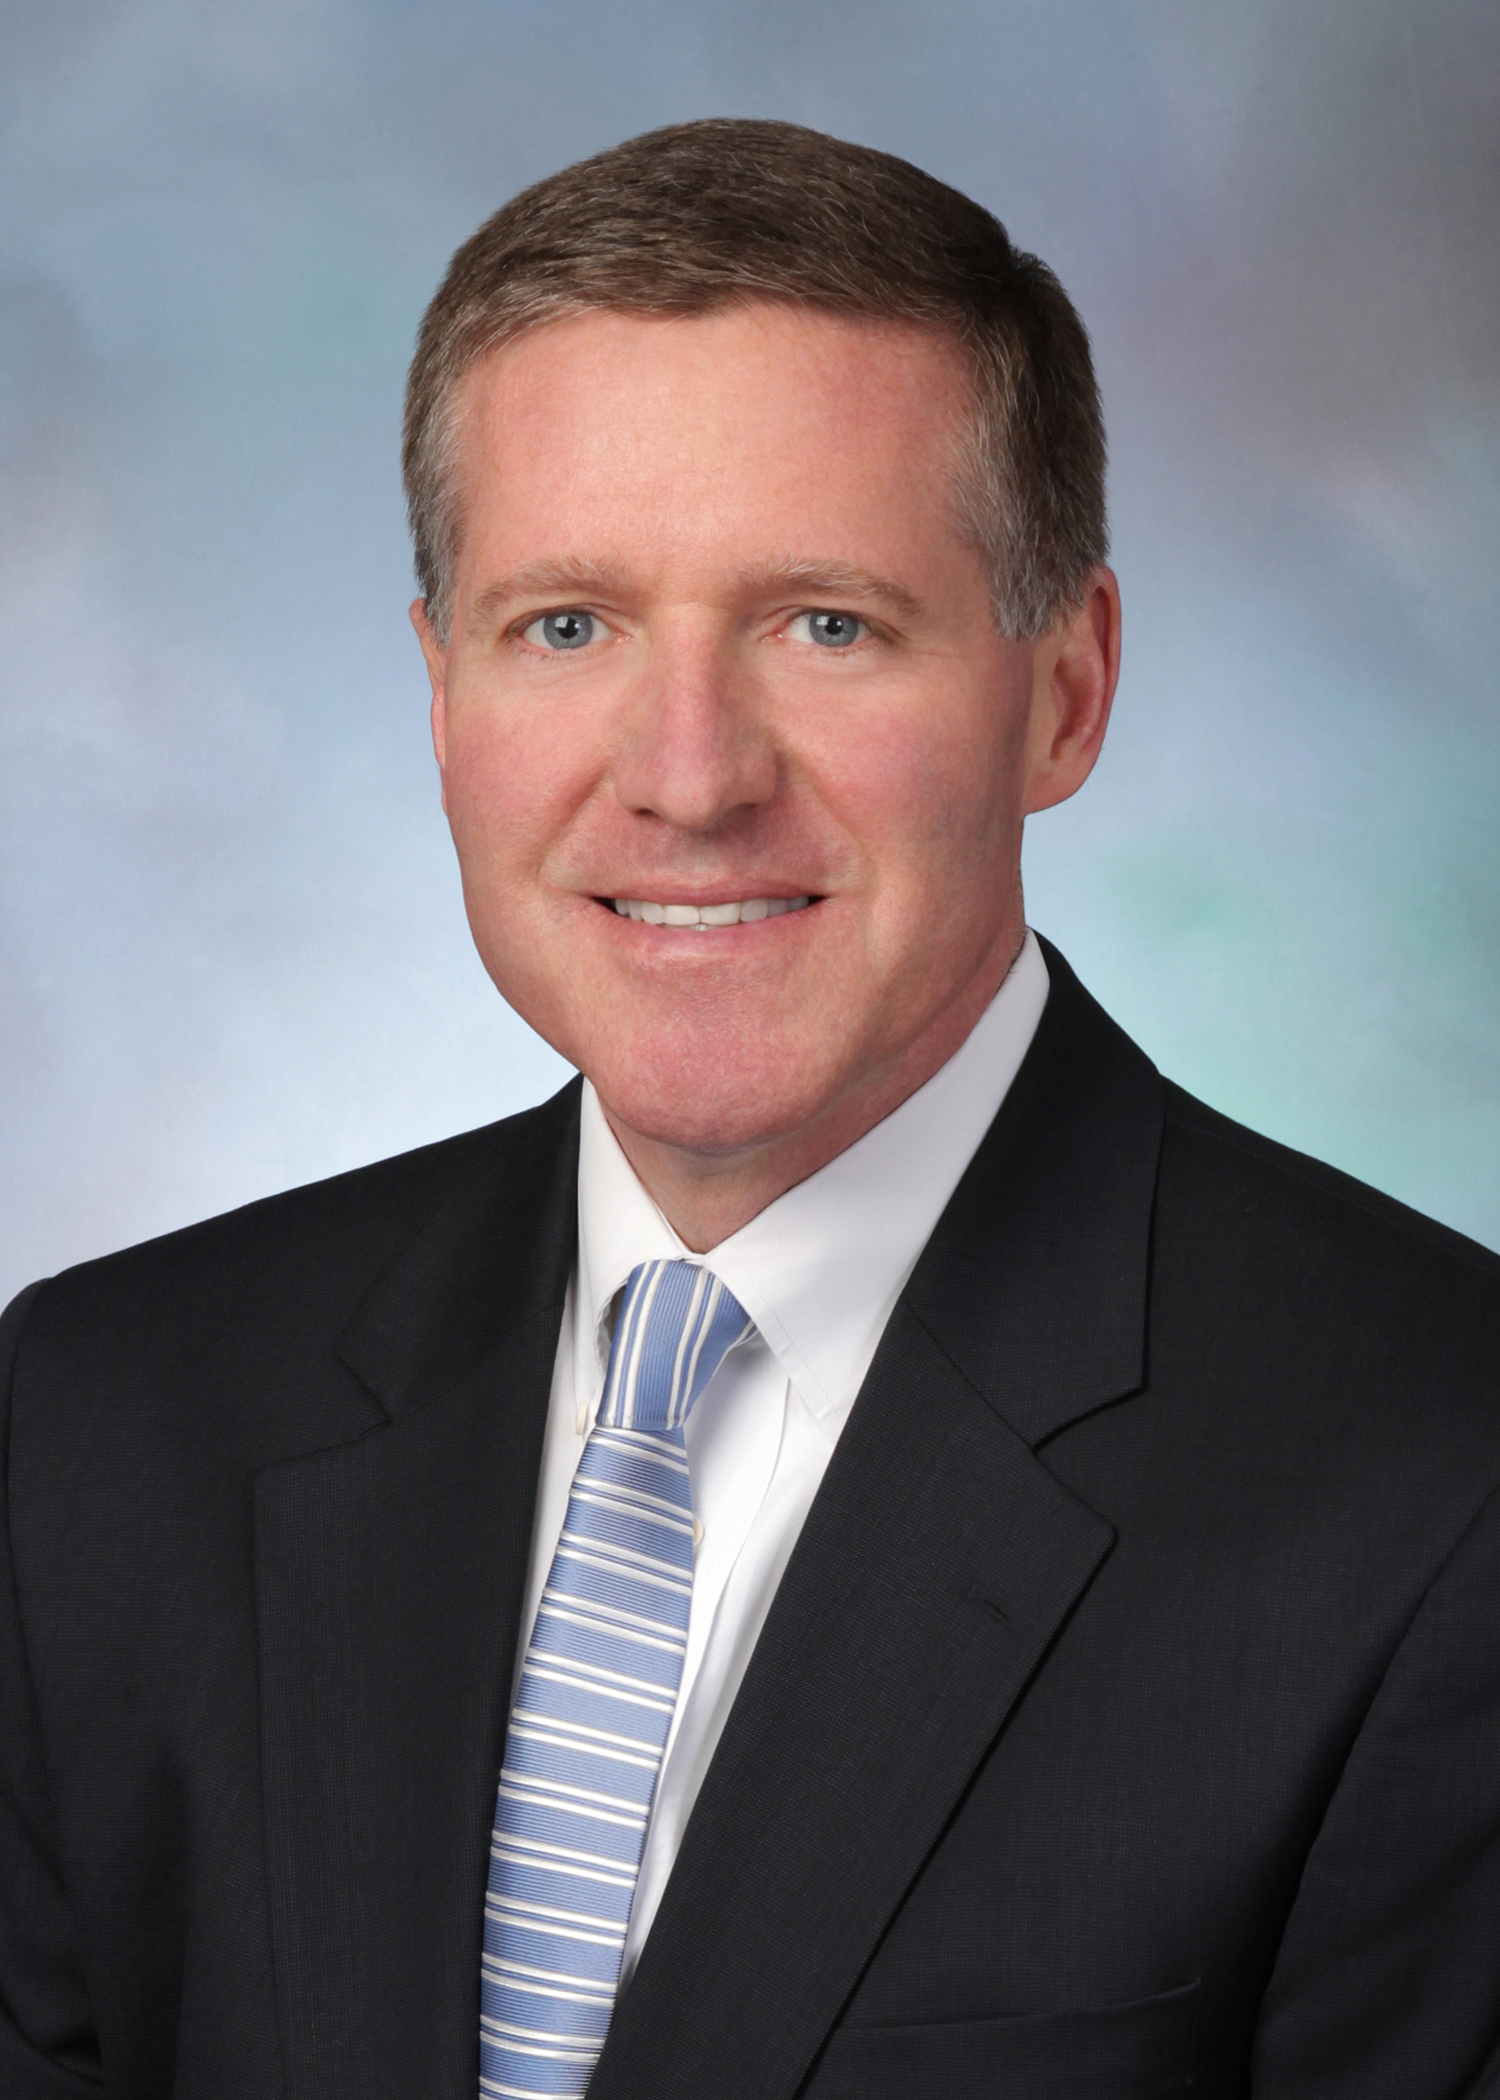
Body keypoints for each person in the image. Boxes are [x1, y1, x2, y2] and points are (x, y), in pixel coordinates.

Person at [2, 116, 1497, 2100]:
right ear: (442, 695)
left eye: (825, 624)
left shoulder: (1442, 1485)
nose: (690, 778)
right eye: (567, 626)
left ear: (1064, 692)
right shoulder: (106, 1424)